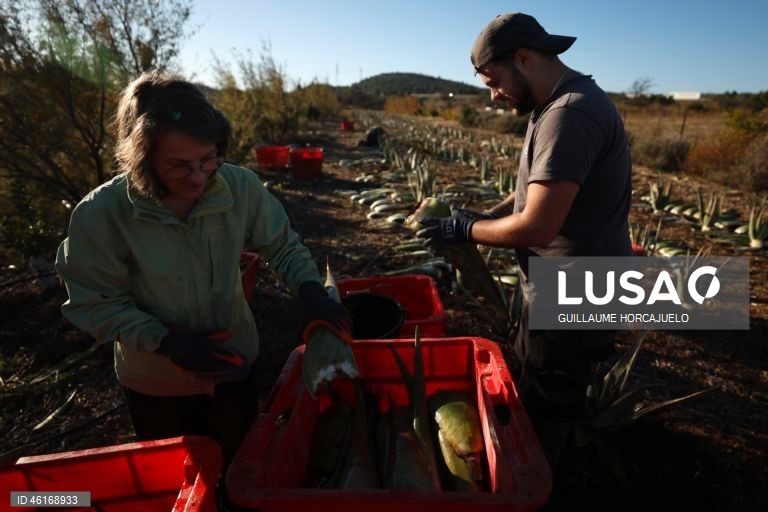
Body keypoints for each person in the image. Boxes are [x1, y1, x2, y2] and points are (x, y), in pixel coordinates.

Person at [55, 71, 351, 462]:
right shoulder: (101, 214)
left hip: (234, 363)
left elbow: (282, 245)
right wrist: (165, 341)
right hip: (156, 383)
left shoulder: (239, 187)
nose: (197, 177)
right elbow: (94, 301)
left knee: (237, 462)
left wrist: (311, 292)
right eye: (177, 165)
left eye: (207, 159)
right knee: (182, 472)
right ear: (141, 159)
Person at [418, 12, 633, 468]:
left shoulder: (569, 114)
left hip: (573, 293)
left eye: (494, 81)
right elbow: (535, 193)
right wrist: (485, 216)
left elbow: (537, 227)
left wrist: (464, 230)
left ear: (523, 58)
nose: (494, 95)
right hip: (573, 288)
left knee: (544, 415)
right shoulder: (559, 104)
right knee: (545, 392)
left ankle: (538, 485)